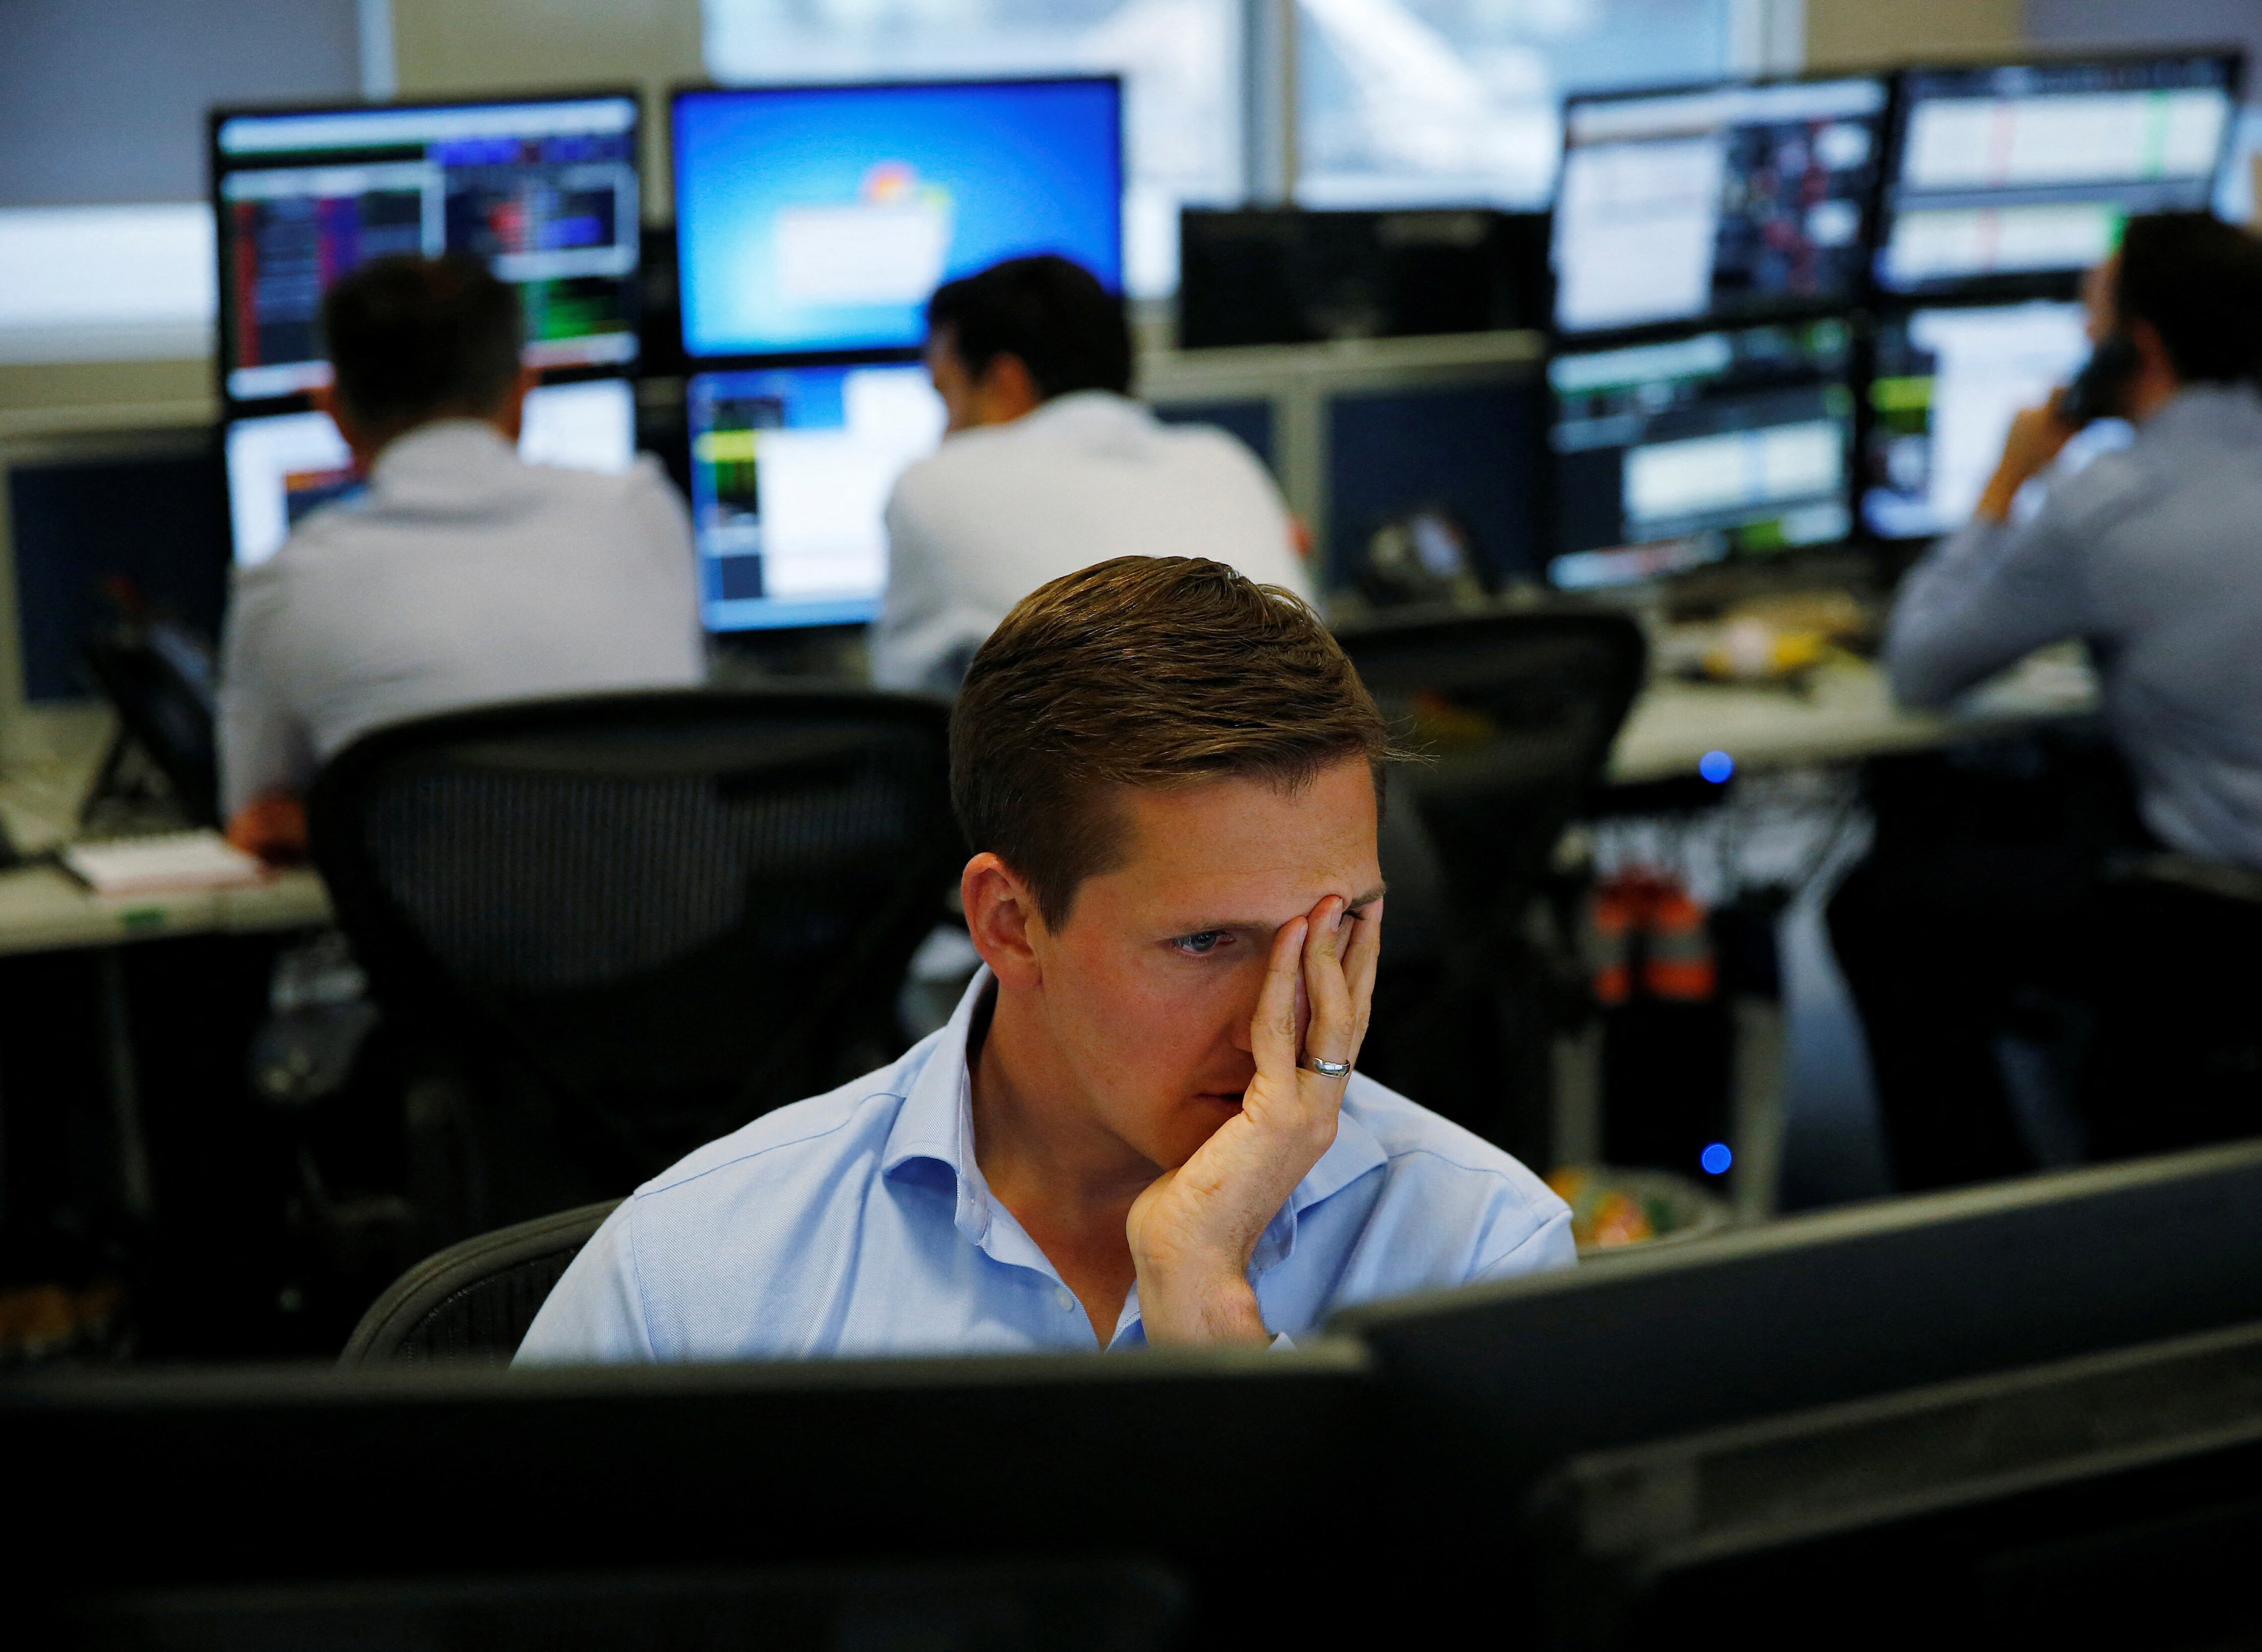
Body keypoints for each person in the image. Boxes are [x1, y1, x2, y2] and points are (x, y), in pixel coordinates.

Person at [520, 557, 1574, 1360]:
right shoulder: (697, 1279)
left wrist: (1206, 1299)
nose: (1282, 1024)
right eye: (1205, 942)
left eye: (1338, 930)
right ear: (1010, 924)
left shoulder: (1478, 1255)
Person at [1828, 212, 2262, 1192]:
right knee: (2005, 796)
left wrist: (2008, 478)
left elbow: (1921, 667)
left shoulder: (2109, 500)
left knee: (1878, 906)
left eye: (2089, 316)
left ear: (2134, 346)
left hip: (2219, 915)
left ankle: (1977, 1215)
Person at [220, 254, 702, 856]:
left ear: (334, 413)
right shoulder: (645, 511)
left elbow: (254, 821)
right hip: (677, 941)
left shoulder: (288, 583)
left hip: (444, 947)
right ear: (524, 394)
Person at [870, 256, 1309, 696]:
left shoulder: (936, 483)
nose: (945, 429)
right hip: (1297, 757)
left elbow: (904, 709)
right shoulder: (1225, 459)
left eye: (946, 393)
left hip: (1104, 761)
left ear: (1007, 384)